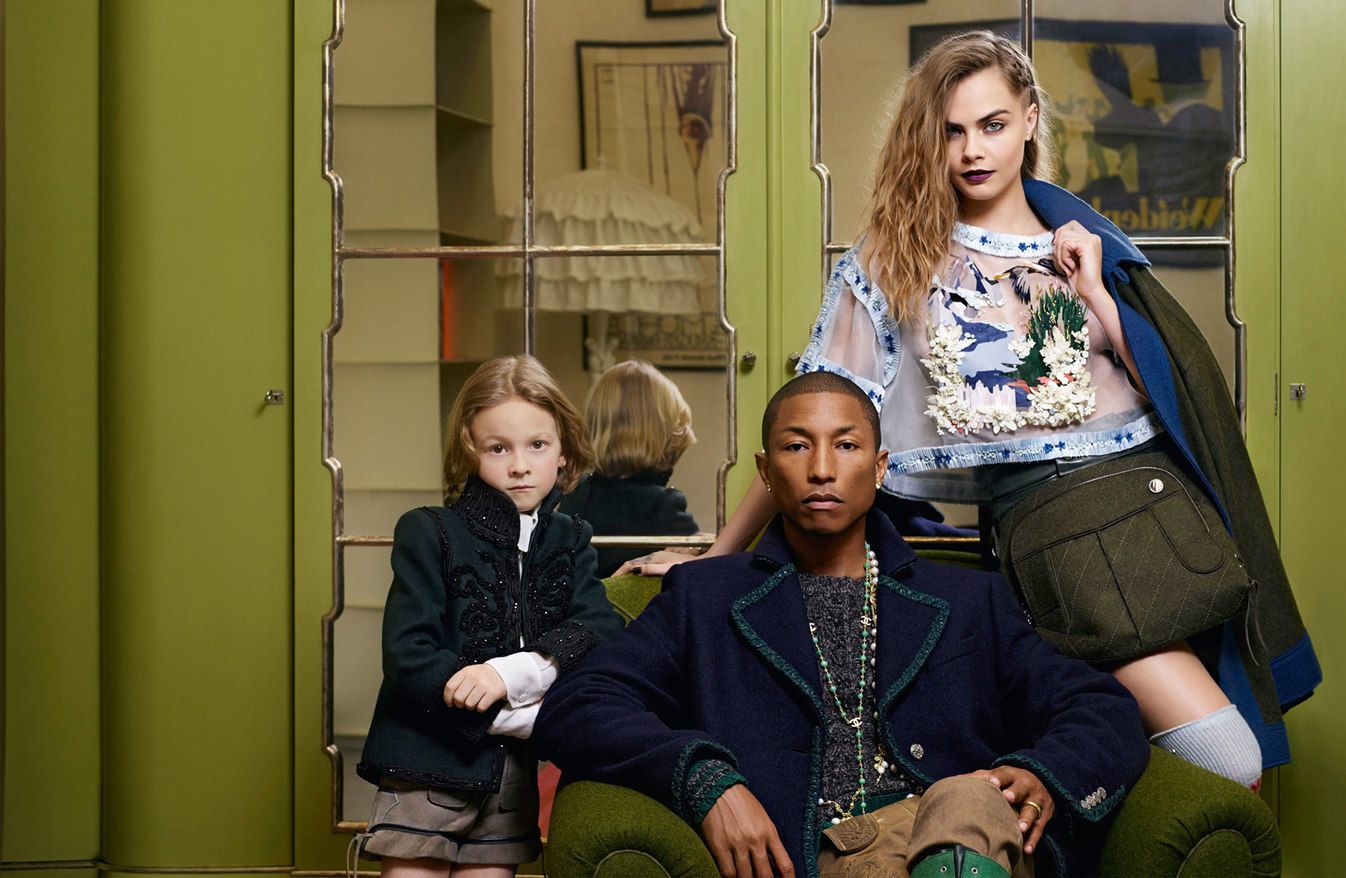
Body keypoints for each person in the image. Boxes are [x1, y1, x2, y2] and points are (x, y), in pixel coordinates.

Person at [618, 30, 1318, 788]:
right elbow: (818, 413)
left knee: (1209, 745)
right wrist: (721, 553)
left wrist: (1091, 289)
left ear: (1030, 120)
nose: (972, 150)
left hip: (1155, 512)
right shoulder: (895, 258)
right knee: (1226, 756)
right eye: (952, 131)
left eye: (992, 124)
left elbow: (1172, 394)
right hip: (1058, 537)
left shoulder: (1082, 243)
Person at [537, 372, 1150, 878]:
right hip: (826, 854)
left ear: (880, 468)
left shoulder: (969, 599)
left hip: (961, 833)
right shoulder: (704, 599)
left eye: (847, 446)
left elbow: (1101, 706)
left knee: (966, 797)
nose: (822, 469)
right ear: (766, 470)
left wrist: (1046, 774)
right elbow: (580, 703)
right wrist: (704, 780)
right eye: (797, 446)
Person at [353, 355, 622, 876]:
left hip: (509, 781)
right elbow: (408, 656)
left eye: (537, 445)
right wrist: (526, 719)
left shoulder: (571, 538)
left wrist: (512, 673)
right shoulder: (429, 531)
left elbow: (599, 627)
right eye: (498, 448)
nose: (519, 465)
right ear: (469, 450)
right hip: (426, 766)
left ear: (564, 450)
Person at [558, 360, 700, 577]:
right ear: (666, 434)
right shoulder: (664, 504)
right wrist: (698, 544)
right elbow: (702, 565)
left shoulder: (576, 490)